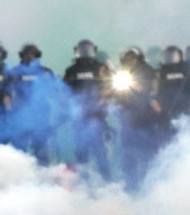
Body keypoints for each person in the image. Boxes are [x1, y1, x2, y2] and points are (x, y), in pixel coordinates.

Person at [63, 39, 112, 180]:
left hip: (97, 115)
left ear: (93, 50)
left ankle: (107, 182)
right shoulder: (71, 70)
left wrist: (104, 97)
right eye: (82, 49)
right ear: (77, 51)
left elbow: (110, 87)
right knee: (81, 152)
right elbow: (65, 91)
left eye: (88, 49)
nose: (85, 52)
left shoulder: (101, 68)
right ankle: (82, 185)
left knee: (100, 151)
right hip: (80, 116)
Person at [115, 47, 159, 191]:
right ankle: (130, 185)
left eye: (132, 57)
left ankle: (149, 185)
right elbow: (119, 94)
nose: (129, 60)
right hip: (128, 118)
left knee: (147, 153)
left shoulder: (148, 71)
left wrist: (136, 86)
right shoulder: (123, 72)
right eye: (127, 58)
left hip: (146, 119)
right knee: (128, 152)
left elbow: (151, 90)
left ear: (138, 58)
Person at [7, 44, 55, 165]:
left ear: (37, 56)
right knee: (19, 153)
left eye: (32, 55)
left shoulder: (46, 72)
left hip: (41, 118)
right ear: (22, 56)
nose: (29, 57)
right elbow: (6, 93)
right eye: (26, 54)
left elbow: (56, 92)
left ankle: (44, 178)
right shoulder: (15, 72)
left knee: (42, 153)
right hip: (20, 117)